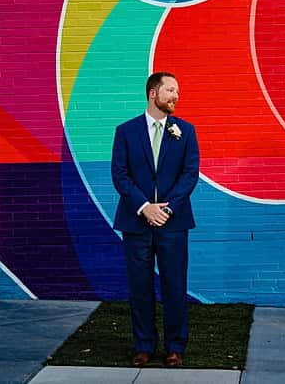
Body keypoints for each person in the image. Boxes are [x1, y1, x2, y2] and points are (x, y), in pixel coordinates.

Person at [109, 70, 199, 369]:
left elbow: (190, 174)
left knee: (175, 285)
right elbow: (120, 175)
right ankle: (143, 345)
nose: (176, 96)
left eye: (177, 91)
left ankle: (175, 347)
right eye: (170, 90)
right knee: (140, 287)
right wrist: (145, 207)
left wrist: (167, 209)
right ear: (153, 93)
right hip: (136, 223)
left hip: (174, 223)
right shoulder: (126, 131)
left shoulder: (186, 131)